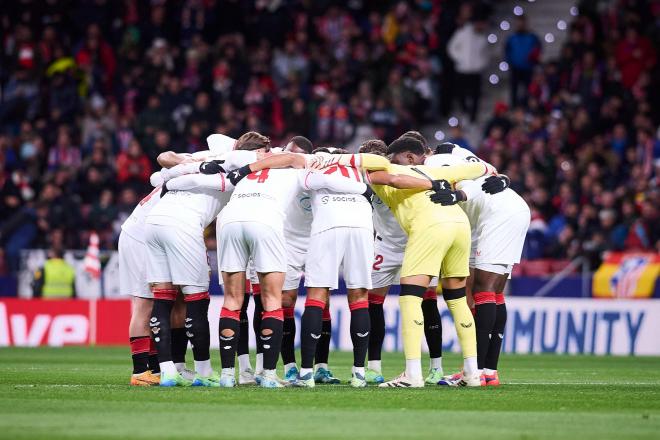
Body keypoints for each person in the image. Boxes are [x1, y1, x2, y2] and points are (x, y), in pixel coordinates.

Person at [310, 138, 496, 387]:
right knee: (458, 299)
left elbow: (390, 177)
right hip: (459, 225)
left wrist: (329, 159)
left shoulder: (383, 169)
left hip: (429, 227)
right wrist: (491, 175)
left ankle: (412, 375)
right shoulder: (434, 169)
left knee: (410, 299)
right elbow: (481, 169)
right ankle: (473, 373)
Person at [215, 149, 373, 388]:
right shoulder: (300, 173)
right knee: (275, 300)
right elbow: (328, 178)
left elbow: (223, 151)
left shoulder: (251, 171)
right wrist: (364, 189)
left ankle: (229, 375)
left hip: (235, 222)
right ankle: (275, 372)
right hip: (276, 230)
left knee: (233, 300)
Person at [430, 142, 530, 386]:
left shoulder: (437, 163)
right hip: (498, 213)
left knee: (483, 291)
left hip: (497, 216)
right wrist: (503, 177)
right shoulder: (464, 156)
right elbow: (489, 173)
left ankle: (476, 370)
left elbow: (472, 185)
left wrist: (458, 195)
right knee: (491, 293)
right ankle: (487, 371)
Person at [359, 137, 445, 386]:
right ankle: (374, 367)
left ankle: (436, 368)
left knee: (428, 304)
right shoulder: (367, 181)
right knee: (373, 304)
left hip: (417, 243)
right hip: (384, 246)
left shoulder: (406, 174)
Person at [448, 18, 489, 122]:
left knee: (476, 95)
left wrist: (481, 64)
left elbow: (485, 54)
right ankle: (465, 113)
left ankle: (473, 118)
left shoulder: (482, 37)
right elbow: (451, 47)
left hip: (476, 71)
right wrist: (460, 59)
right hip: (462, 70)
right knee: (461, 93)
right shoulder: (461, 33)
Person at [505, 15, 541, 106]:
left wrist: (533, 61)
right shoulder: (511, 38)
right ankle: (514, 107)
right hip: (515, 68)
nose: (520, 25)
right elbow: (507, 51)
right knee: (514, 90)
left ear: (525, 23)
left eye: (522, 23)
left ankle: (526, 107)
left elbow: (538, 50)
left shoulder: (532, 37)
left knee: (528, 91)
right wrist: (510, 62)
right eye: (518, 23)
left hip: (528, 68)